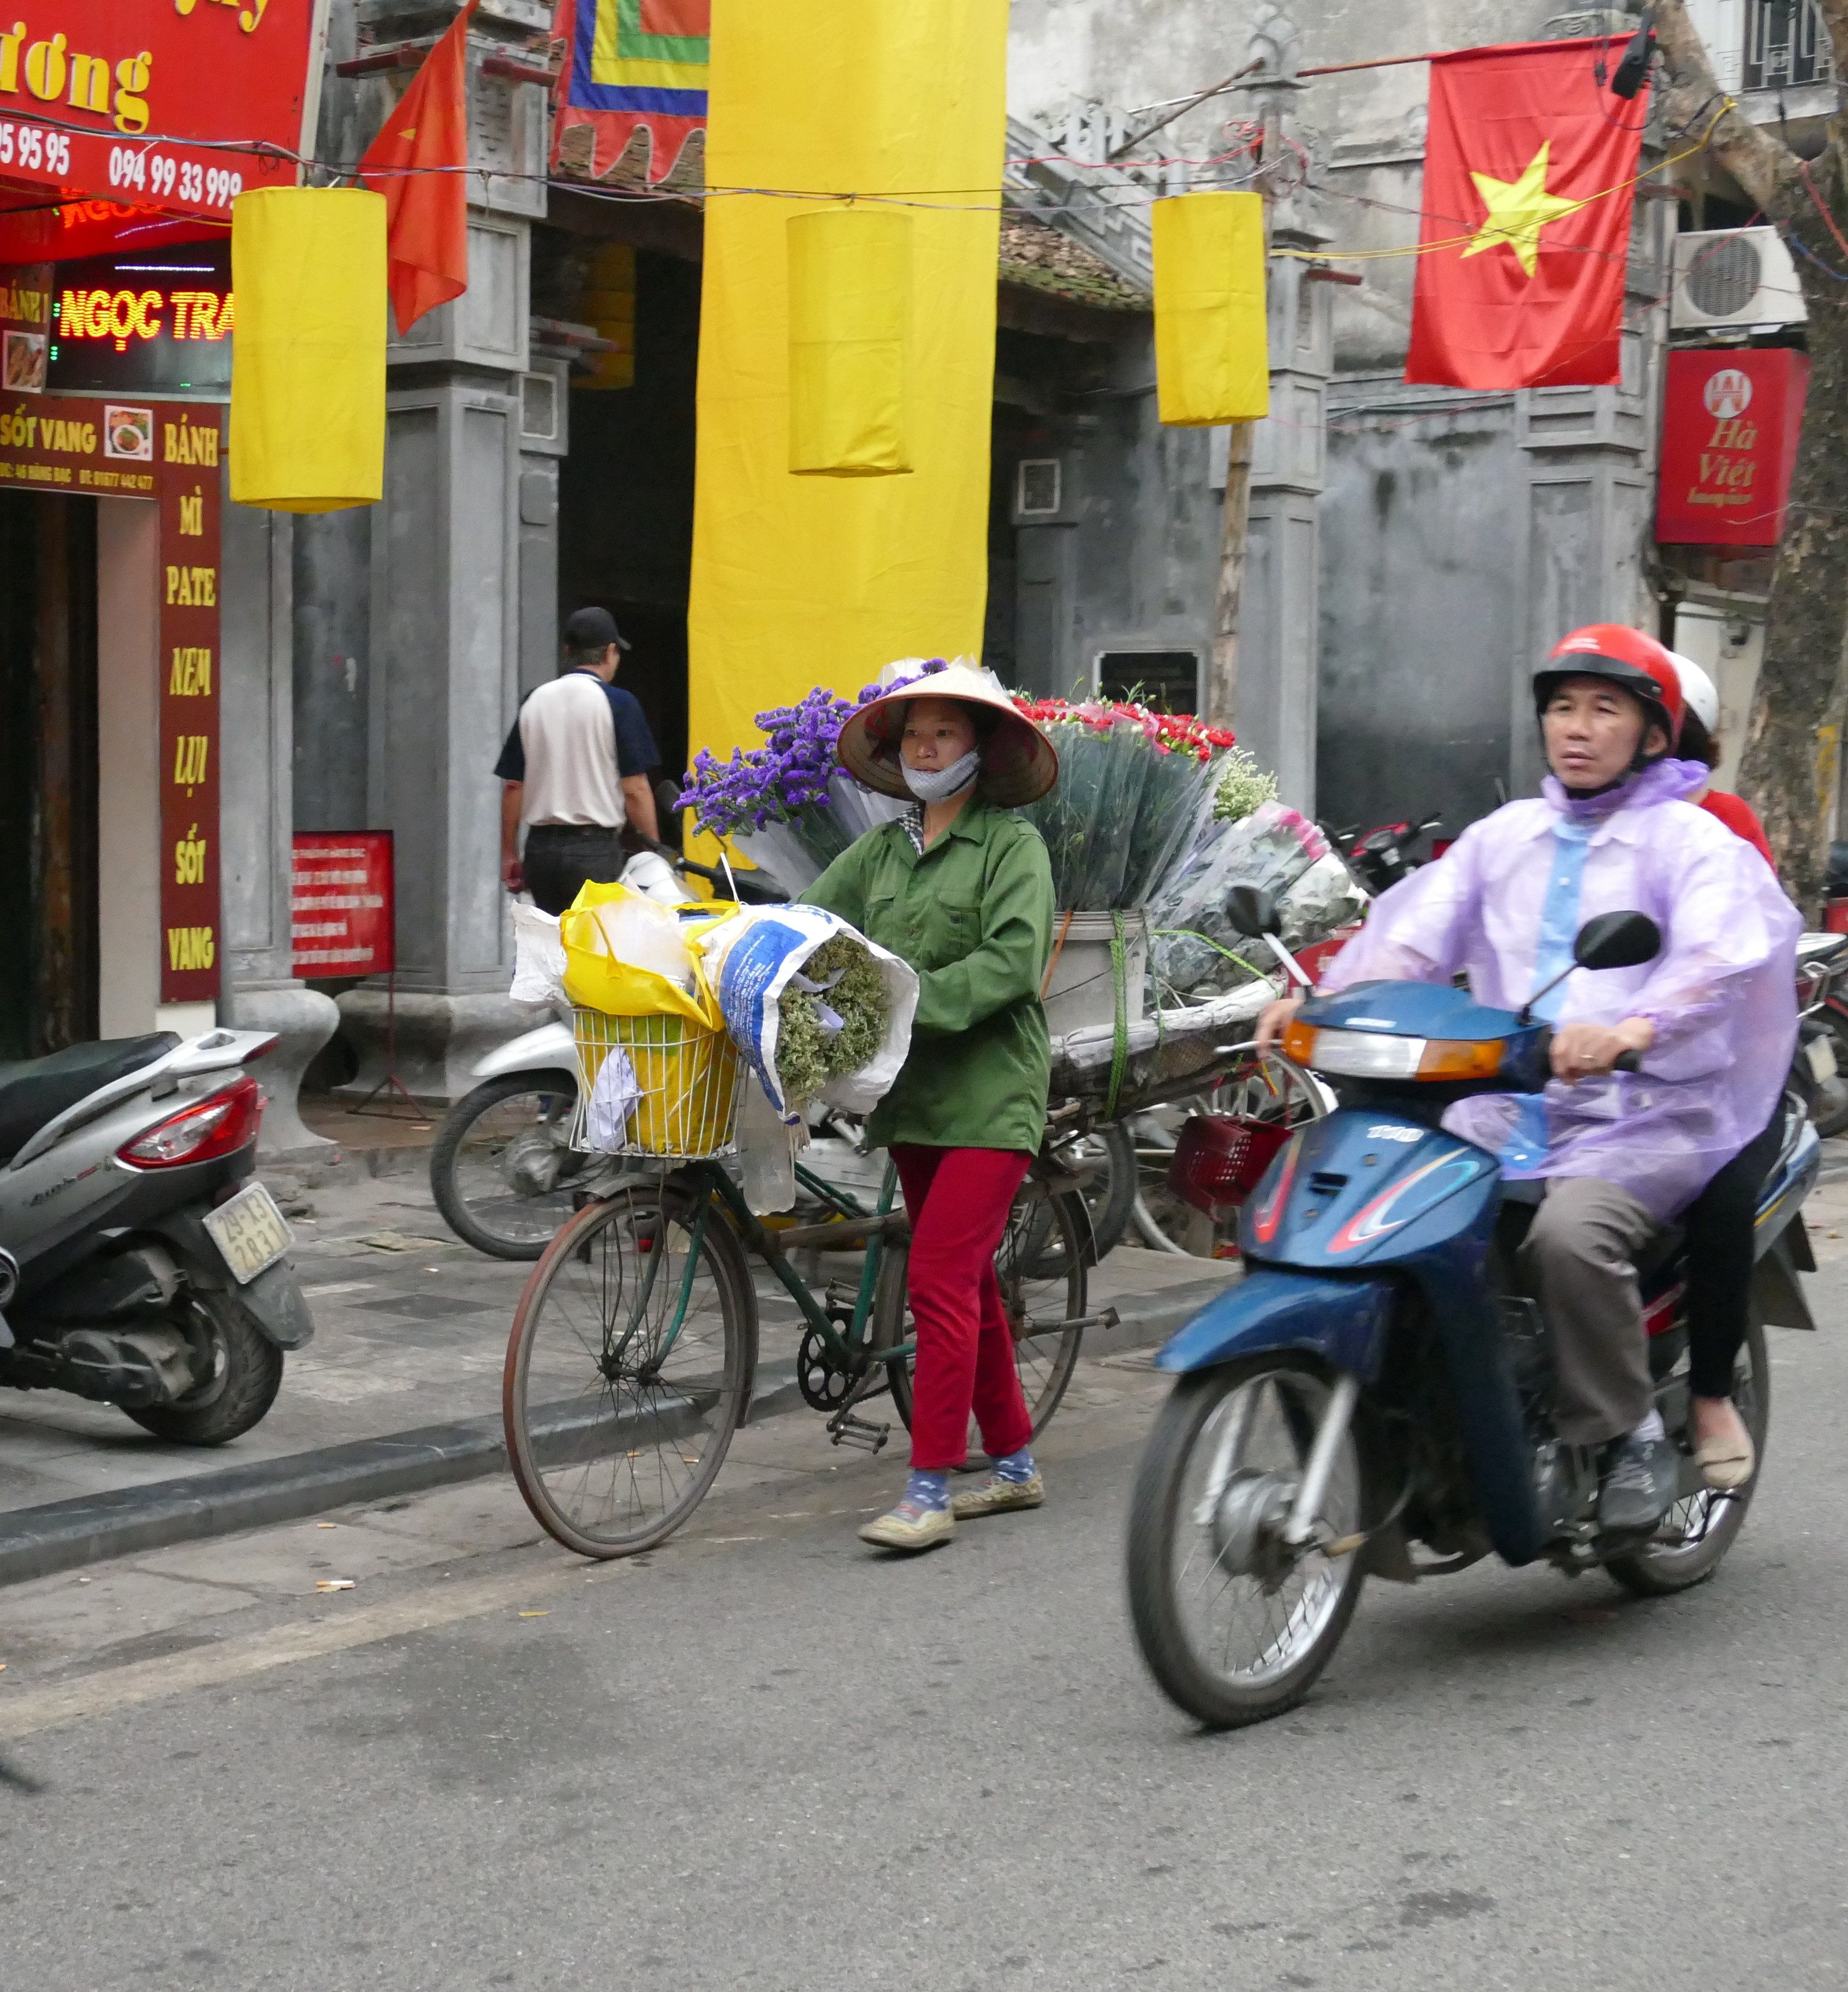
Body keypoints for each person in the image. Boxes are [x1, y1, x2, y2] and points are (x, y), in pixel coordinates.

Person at [1258, 625, 1798, 1533]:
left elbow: (1719, 956)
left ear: (1653, 733)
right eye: (1561, 707)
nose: (1577, 728)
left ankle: (1623, 1428)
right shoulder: (1506, 835)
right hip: (1504, 1102)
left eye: (1604, 709)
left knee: (1568, 1239)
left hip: (1647, 1111)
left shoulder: (1689, 841)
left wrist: (1635, 1026)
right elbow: (1412, 934)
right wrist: (1313, 997)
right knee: (1405, 1211)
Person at [803, 662, 1060, 1553]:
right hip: (912, 1100)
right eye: (913, 734)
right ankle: (1016, 1465)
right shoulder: (877, 852)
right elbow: (811, 922)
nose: (924, 748)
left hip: (993, 1096)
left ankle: (930, 1486)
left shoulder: (1012, 847)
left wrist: (903, 997)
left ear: (979, 751)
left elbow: (1013, 963)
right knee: (970, 1283)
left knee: (939, 1281)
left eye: (944, 733)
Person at [1667, 650, 1785, 1489]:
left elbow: (1750, 946)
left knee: (1717, 1192)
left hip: (1713, 1072)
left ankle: (1708, 1391)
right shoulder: (1550, 823)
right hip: (1581, 1067)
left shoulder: (1724, 822)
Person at [495, 607, 662, 917]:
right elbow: (636, 789)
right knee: (594, 952)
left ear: (568, 651)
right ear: (611, 652)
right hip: (594, 852)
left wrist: (509, 853)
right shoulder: (619, 704)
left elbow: (514, 786)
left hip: (540, 851)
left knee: (552, 948)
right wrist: (653, 853)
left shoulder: (534, 700)